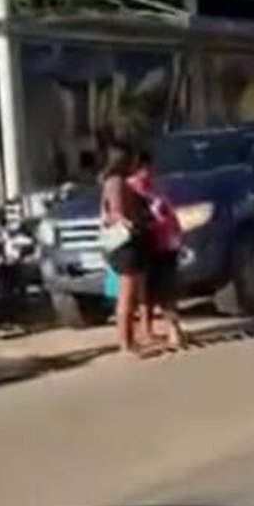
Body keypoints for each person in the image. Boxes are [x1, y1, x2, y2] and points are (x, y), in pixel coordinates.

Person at [128, 152, 187, 350]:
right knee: (151, 293)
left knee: (164, 290)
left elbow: (170, 215)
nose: (148, 172)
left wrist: (176, 235)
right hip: (148, 246)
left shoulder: (153, 190)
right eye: (144, 168)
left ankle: (170, 329)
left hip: (164, 245)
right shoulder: (133, 190)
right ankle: (153, 329)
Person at [99, 142, 152, 355]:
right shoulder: (116, 182)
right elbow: (116, 212)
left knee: (133, 293)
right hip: (125, 244)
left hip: (129, 243)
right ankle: (126, 343)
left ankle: (133, 338)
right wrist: (132, 222)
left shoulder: (115, 181)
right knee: (126, 296)